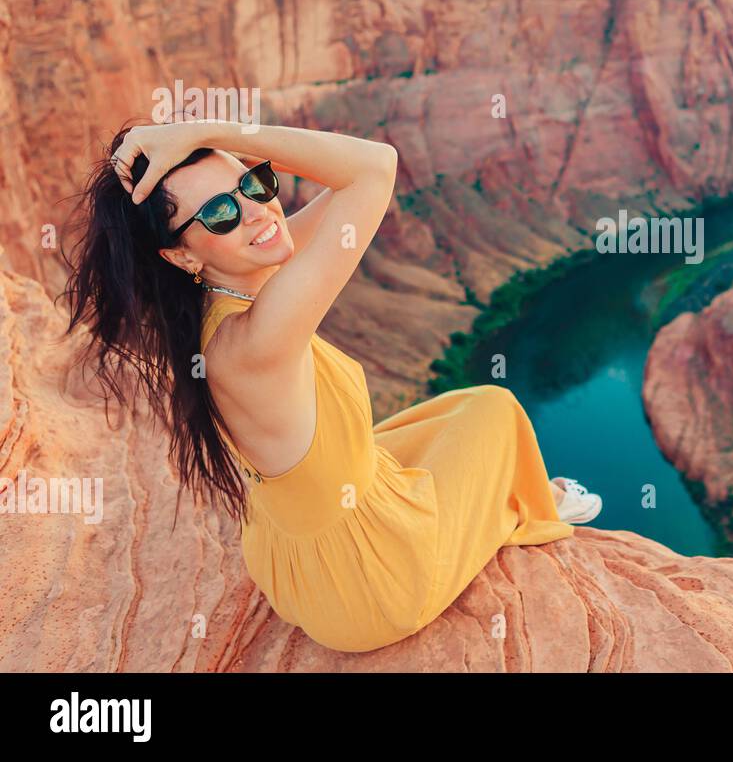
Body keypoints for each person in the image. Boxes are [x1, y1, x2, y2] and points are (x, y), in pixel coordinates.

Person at [58, 117, 602, 652]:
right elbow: (373, 167)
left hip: (295, 559)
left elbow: (321, 202)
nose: (257, 212)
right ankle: (532, 507)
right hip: (370, 585)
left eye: (253, 183)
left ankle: (492, 497)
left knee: (457, 412)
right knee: (496, 409)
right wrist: (210, 132)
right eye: (219, 213)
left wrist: (207, 156)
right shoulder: (255, 339)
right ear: (181, 255)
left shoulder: (224, 293)